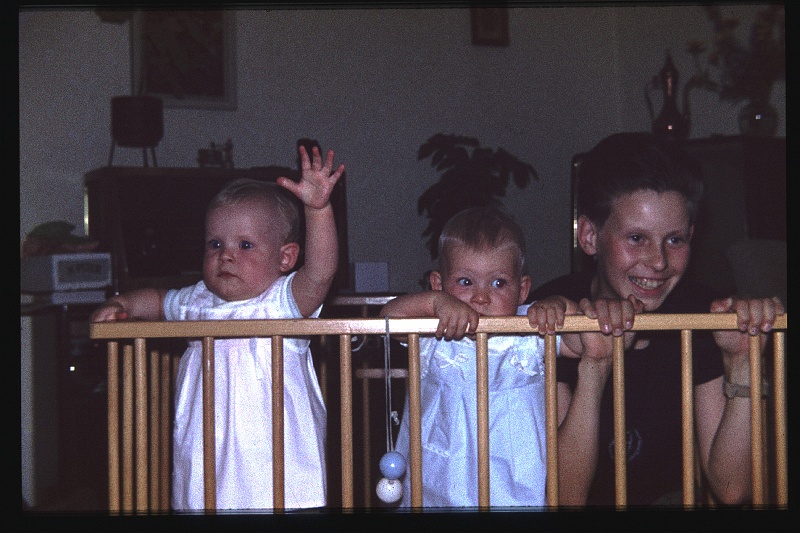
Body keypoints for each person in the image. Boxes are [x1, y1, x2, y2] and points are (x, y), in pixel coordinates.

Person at [528, 132, 784, 506]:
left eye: (675, 240)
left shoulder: (703, 316)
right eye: (636, 238)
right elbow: (564, 497)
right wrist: (595, 364)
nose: (660, 261)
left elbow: (731, 489)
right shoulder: (549, 316)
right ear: (589, 236)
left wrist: (742, 362)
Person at [91, 146, 345, 511]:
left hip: (276, 461)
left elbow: (321, 271)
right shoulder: (197, 301)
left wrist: (317, 209)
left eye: (245, 245)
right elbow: (158, 300)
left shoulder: (281, 303)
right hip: (205, 454)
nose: (226, 255)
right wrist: (122, 305)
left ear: (285, 257)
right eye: (215, 244)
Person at [381, 206, 633, 508]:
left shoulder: (529, 329)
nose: (481, 297)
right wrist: (436, 304)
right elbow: (387, 319)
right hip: (440, 479)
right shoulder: (434, 331)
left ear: (522, 289)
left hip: (515, 482)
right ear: (438, 284)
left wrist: (560, 306)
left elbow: (586, 343)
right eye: (465, 282)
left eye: (499, 283)